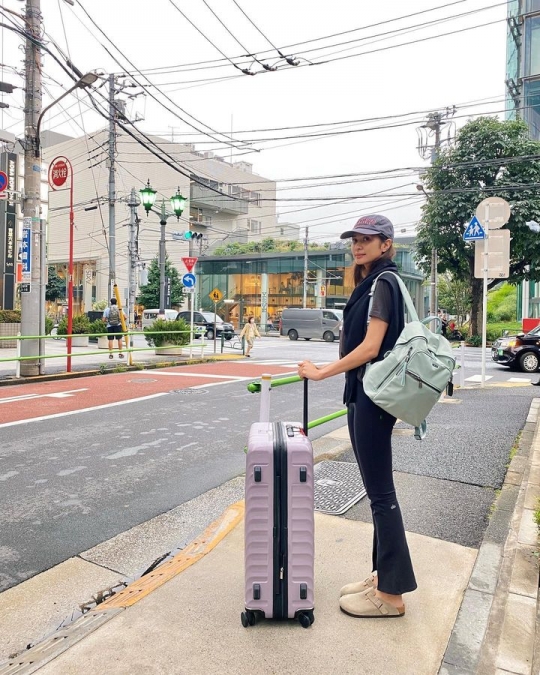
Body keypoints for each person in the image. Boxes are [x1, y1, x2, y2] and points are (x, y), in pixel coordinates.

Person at [298, 214, 417, 618]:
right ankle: (382, 576)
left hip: (373, 397)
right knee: (376, 491)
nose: (359, 245)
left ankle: (392, 595)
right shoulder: (370, 283)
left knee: (381, 494)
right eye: (355, 239)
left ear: (386, 244)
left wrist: (320, 373)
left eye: (368, 239)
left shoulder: (383, 282)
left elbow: (370, 348)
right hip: (364, 394)